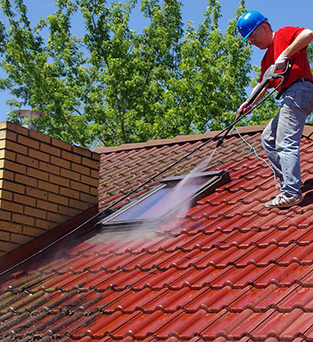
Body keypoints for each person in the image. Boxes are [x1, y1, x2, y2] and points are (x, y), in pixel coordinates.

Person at [236, 10, 313, 208]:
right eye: (249, 39)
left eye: (252, 35)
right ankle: (288, 182)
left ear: (264, 27)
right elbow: (263, 84)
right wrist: (249, 103)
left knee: (285, 141)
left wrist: (286, 53)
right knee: (268, 138)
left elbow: (308, 34)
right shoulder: (266, 60)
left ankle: (291, 192)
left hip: (299, 89)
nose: (252, 42)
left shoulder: (283, 34)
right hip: (290, 95)